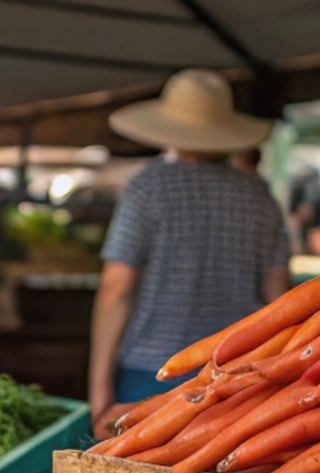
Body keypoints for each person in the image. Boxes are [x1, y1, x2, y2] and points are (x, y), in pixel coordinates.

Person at [88, 69, 289, 438]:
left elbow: (116, 288)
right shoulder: (260, 198)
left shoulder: (148, 188)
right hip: (234, 374)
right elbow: (280, 301)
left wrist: (98, 396)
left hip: (151, 373)